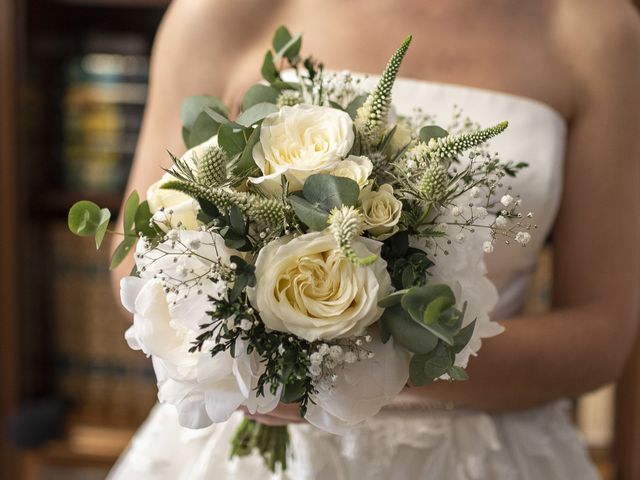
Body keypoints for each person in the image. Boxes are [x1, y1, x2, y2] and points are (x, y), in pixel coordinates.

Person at [109, 0, 640, 478]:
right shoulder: (220, 12)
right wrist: (260, 346)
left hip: (480, 453)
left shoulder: (595, 28)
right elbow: (139, 254)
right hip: (254, 446)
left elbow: (602, 338)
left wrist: (365, 362)